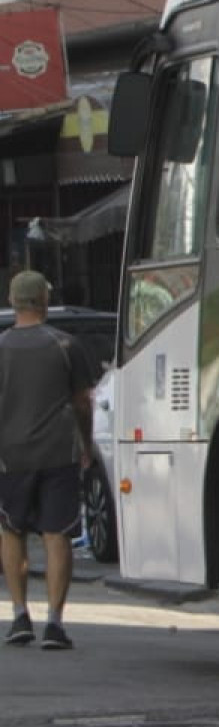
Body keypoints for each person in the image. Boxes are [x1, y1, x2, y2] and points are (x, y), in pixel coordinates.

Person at [0, 270, 100, 650]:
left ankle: (19, 616)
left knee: (12, 531)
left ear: (12, 301)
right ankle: (54, 624)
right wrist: (86, 444)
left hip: (10, 456)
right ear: (44, 301)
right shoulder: (66, 345)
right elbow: (82, 402)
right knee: (57, 535)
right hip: (59, 453)